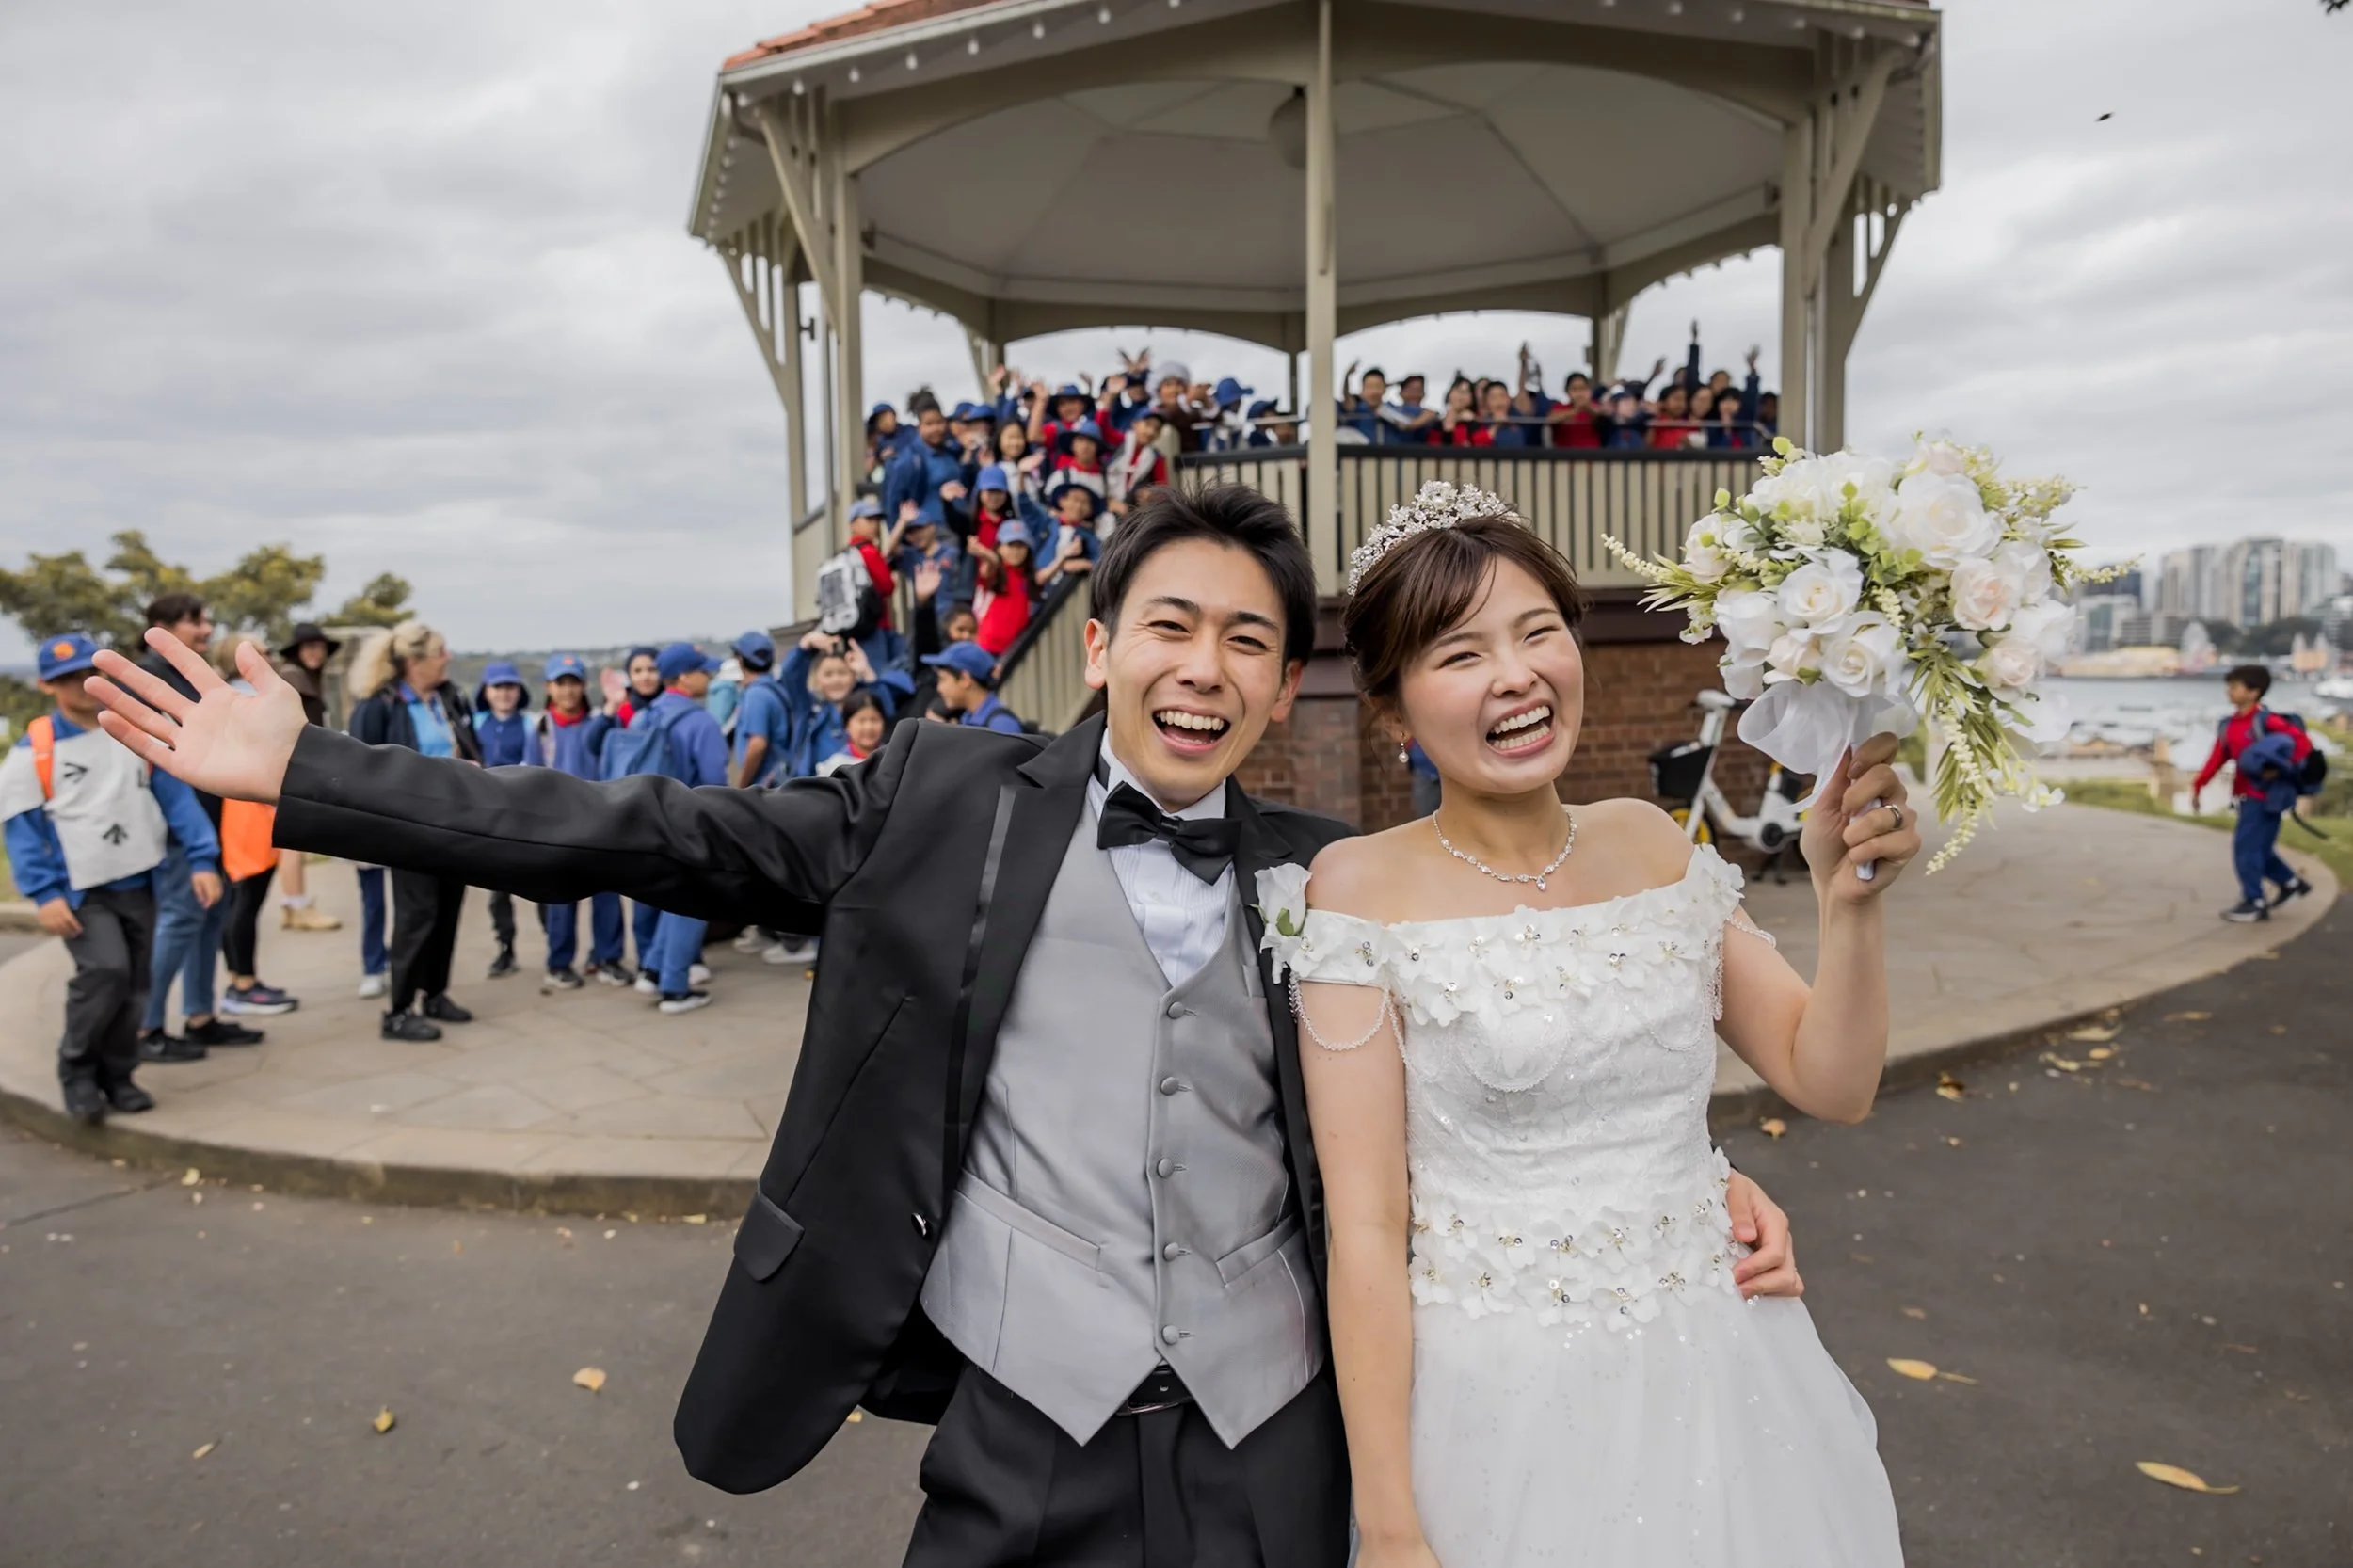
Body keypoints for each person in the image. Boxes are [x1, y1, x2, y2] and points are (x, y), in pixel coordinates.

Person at [88, 485, 1806, 1568]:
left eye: (1251, 644)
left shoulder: (1341, 878)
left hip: (1284, 1435)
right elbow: (647, 834)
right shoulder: (940, 798)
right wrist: (307, 776)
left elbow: (1502, 1069)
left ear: (1290, 690)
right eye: (1173, 626)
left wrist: (1687, 1187)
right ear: (1106, 645)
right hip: (1019, 1426)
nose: (1206, 669)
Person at [1275, 492, 1914, 1568]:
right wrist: (1388, 1519)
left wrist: (1846, 902)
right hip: (1499, 1401)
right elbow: (1369, 1229)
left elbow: (1832, 1079)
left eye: (1538, 633)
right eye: (1459, 653)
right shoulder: (1356, 890)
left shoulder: (1654, 846)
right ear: (1394, 712)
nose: (1515, 674)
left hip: (1723, 1367)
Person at [3, 633, 223, 1119]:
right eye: (65, 679)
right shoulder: (34, 749)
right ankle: (77, 1072)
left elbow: (176, 798)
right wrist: (42, 893)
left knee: (136, 985)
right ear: (46, 685)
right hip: (81, 891)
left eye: (86, 673)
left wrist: (203, 858)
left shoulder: (135, 732)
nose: (79, 686)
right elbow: (20, 825)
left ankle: (118, 1075)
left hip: (140, 880)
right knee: (106, 972)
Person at [134, 593, 260, 1053]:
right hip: (179, 834)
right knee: (183, 919)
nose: (206, 629)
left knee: (210, 920)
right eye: (195, 622)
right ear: (162, 626)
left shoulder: (187, 676)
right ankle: (147, 1029)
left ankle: (200, 1016)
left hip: (211, 823)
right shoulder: (149, 679)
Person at [344, 620, 480, 1041]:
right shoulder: (379, 705)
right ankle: (399, 1010)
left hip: (454, 824)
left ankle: (435, 994)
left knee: (447, 911)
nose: (448, 658)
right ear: (413, 661)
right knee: (415, 915)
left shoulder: (449, 698)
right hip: (409, 828)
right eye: (440, 652)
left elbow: (465, 745)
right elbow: (360, 769)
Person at [637, 643, 731, 1015]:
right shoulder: (701, 722)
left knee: (667, 899)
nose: (706, 677)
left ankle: (652, 967)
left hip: (645, 821)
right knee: (693, 899)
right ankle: (675, 987)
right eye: (701, 670)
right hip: (689, 822)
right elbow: (714, 783)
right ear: (682, 677)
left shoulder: (642, 717)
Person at [529, 653, 627, 989]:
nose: (568, 691)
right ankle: (558, 963)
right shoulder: (542, 728)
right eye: (561, 683)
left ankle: (607, 958)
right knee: (561, 900)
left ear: (584, 686)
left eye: (574, 683)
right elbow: (529, 778)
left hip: (600, 822)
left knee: (608, 895)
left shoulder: (600, 723)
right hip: (558, 827)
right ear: (549, 687)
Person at [2192, 664, 2318, 922]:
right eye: (2229, 686)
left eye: (2235, 687)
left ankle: (2254, 901)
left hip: (2267, 795)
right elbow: (2218, 757)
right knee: (2258, 848)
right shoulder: (2228, 725)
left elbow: (2303, 745)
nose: (2229, 691)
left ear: (2254, 692)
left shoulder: (2267, 721)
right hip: (2245, 795)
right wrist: (2199, 784)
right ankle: (2291, 883)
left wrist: (2281, 769)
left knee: (2245, 849)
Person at [271, 622, 344, 933]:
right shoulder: (293, 679)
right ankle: (297, 903)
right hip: (292, 767)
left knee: (293, 840)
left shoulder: (304, 679)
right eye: (309, 647)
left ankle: (293, 904)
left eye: (319, 646)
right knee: (292, 842)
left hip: (295, 765)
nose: (315, 652)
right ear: (299, 651)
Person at [471, 660, 534, 979]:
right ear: (486, 691)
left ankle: (557, 950)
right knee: (498, 892)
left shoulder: (530, 725)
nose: (504, 693)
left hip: (525, 814)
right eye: (498, 687)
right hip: (490, 818)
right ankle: (505, 948)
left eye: (510, 686)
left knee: (543, 884)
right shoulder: (475, 724)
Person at [920, 641, 1025, 735]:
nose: (939, 688)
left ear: (965, 679)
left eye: (943, 679)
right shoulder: (968, 718)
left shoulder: (1000, 725)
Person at [971, 518, 1039, 658]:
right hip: (986, 646)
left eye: (1021, 546)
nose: (1015, 551)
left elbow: (1045, 575)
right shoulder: (994, 572)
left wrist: (1063, 558)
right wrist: (983, 552)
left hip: (1015, 649)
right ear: (999, 547)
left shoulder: (1028, 577)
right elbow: (992, 561)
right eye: (1010, 545)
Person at [813, 690, 891, 776]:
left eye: (874, 720)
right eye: (862, 721)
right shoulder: (836, 765)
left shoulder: (892, 760)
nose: (868, 727)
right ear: (847, 725)